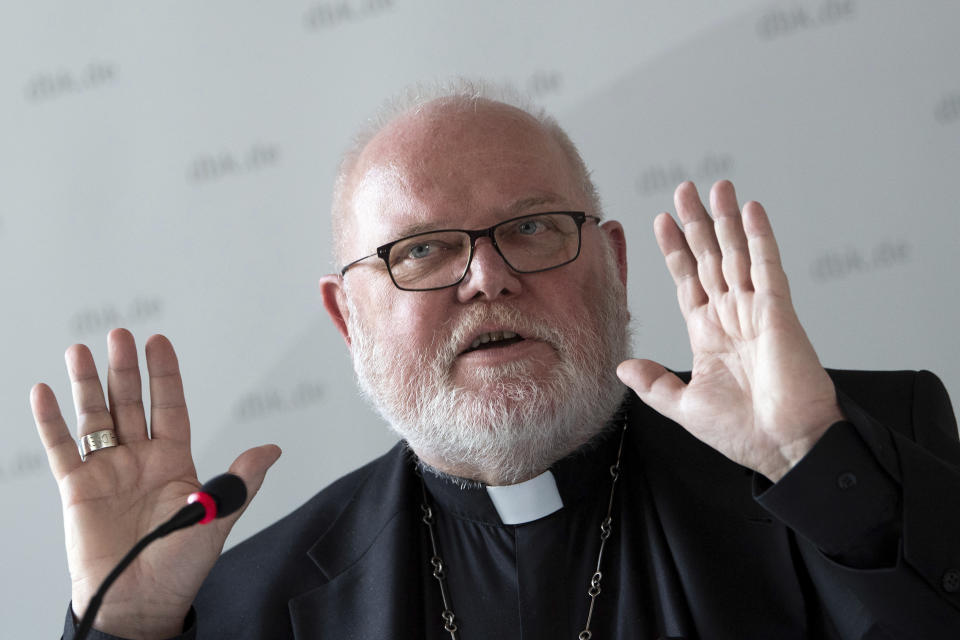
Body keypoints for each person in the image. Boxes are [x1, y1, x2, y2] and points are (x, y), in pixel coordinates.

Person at [33, 82, 960, 639]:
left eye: (531, 227)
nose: (488, 277)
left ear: (614, 265)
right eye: (422, 250)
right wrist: (127, 632)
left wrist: (812, 457)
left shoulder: (858, 459)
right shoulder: (240, 600)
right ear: (347, 317)